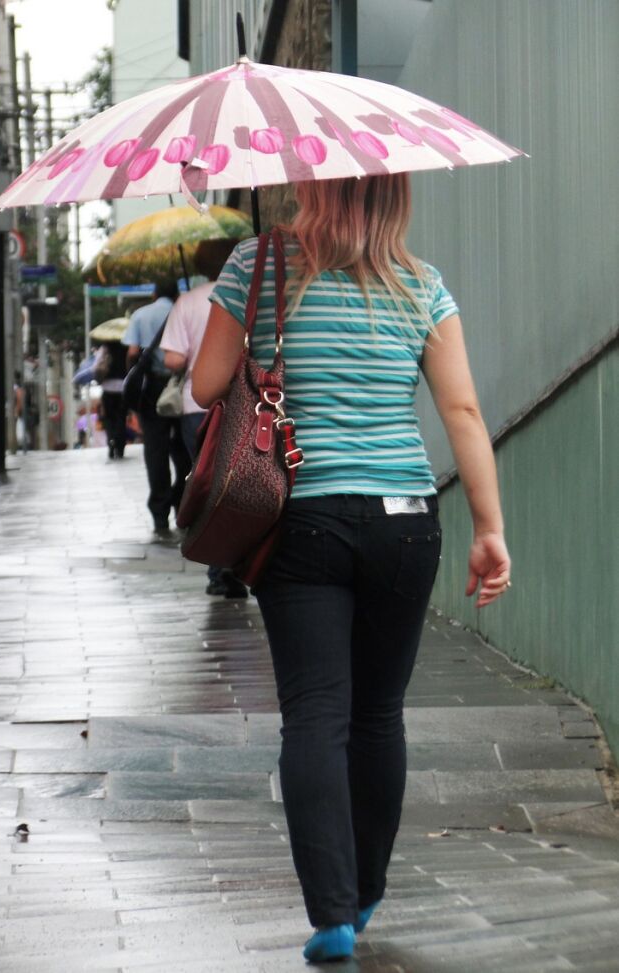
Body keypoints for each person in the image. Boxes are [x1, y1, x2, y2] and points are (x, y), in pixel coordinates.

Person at [192, 174, 511, 963]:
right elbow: (462, 411)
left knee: (315, 715)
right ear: (394, 195)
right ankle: (367, 889)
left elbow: (203, 385)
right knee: (379, 715)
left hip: (301, 520)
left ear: (312, 184)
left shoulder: (256, 265)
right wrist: (490, 527)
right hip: (406, 521)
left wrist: (266, 352)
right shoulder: (422, 285)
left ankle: (332, 913)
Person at [161, 240, 247, 597]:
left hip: (198, 408)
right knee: (245, 485)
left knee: (209, 484)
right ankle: (242, 564)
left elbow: (174, 360)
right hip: (245, 404)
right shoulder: (250, 291)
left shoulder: (188, 300)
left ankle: (218, 567)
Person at [122, 282, 191, 538]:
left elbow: (131, 352)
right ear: (176, 294)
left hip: (152, 388)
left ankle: (159, 512)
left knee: (155, 450)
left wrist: (137, 367)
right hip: (180, 385)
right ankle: (182, 501)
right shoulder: (183, 311)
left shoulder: (141, 315)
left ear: (154, 294)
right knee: (184, 449)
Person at [94, 341, 128, 459]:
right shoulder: (127, 347)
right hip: (123, 388)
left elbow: (96, 366)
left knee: (108, 418)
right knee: (121, 417)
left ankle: (111, 440)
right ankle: (120, 446)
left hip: (107, 388)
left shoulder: (105, 348)